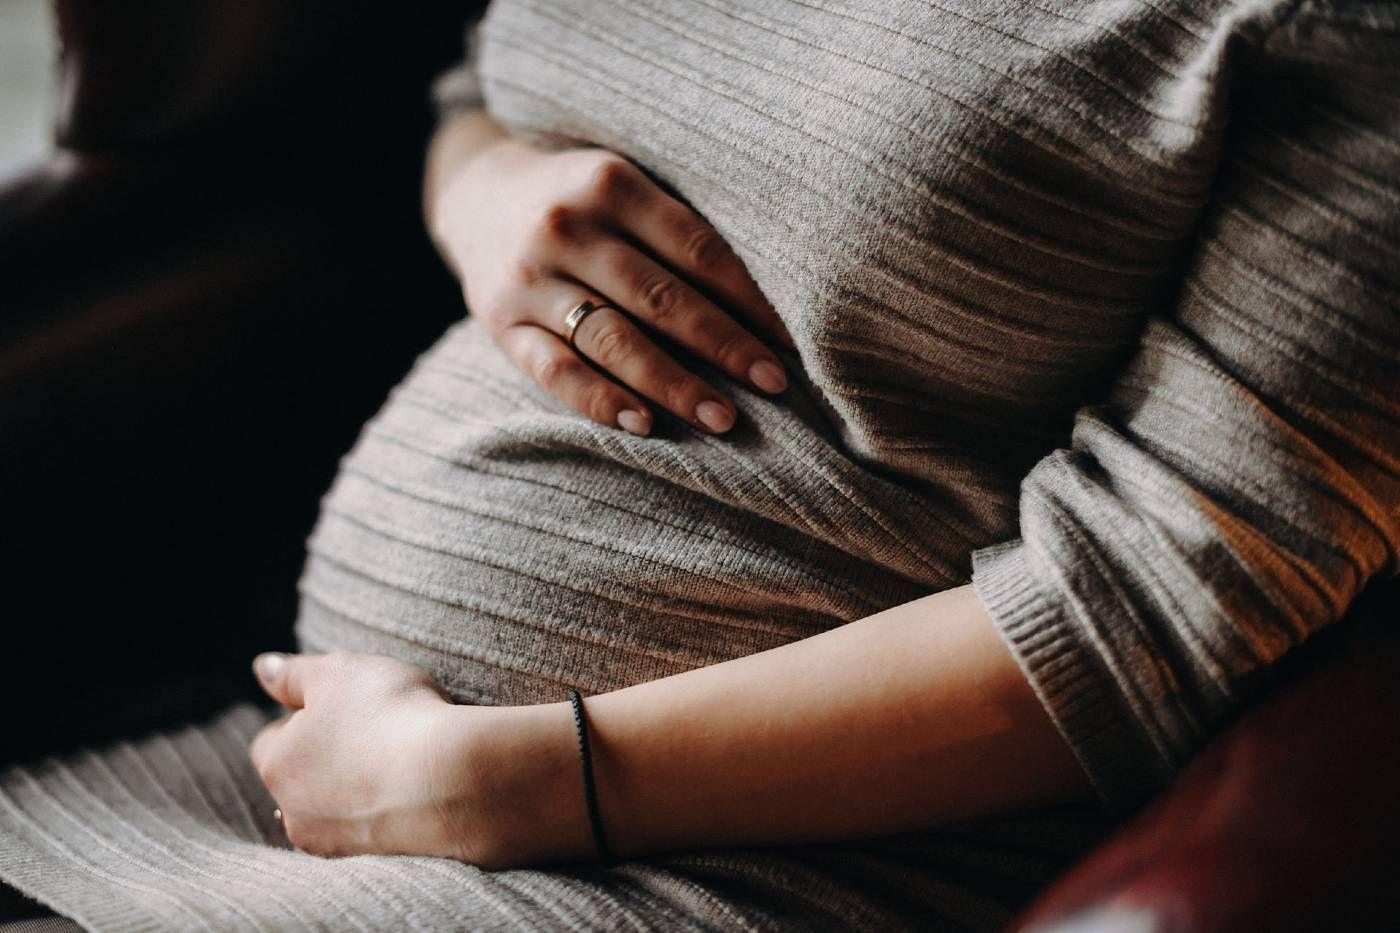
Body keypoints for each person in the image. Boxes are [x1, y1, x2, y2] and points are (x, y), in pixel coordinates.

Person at [1, 1, 1395, 929]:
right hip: (302, 780)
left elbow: (1154, 606)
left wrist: (509, 783)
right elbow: (486, 75)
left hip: (710, 873)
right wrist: (482, 187)